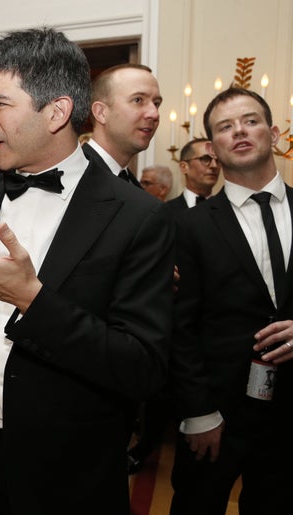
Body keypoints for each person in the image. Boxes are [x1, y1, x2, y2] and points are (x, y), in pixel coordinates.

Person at [0, 27, 174, 514]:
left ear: (56, 112)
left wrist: (32, 300)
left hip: (67, 478)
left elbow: (142, 368)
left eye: (0, 104)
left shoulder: (137, 217)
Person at [169, 87, 293, 515]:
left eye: (251, 121)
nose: (239, 131)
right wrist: (199, 412)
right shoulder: (190, 226)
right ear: (214, 148)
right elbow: (180, 326)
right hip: (220, 415)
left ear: (274, 133)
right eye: (225, 127)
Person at [82, 63, 162, 186]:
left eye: (156, 103)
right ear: (101, 112)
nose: (154, 114)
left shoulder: (132, 184)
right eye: (138, 100)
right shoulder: (74, 177)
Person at [167, 137, 221, 211]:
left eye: (218, 160)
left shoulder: (228, 210)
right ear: (184, 167)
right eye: (205, 159)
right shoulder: (166, 212)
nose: (214, 165)